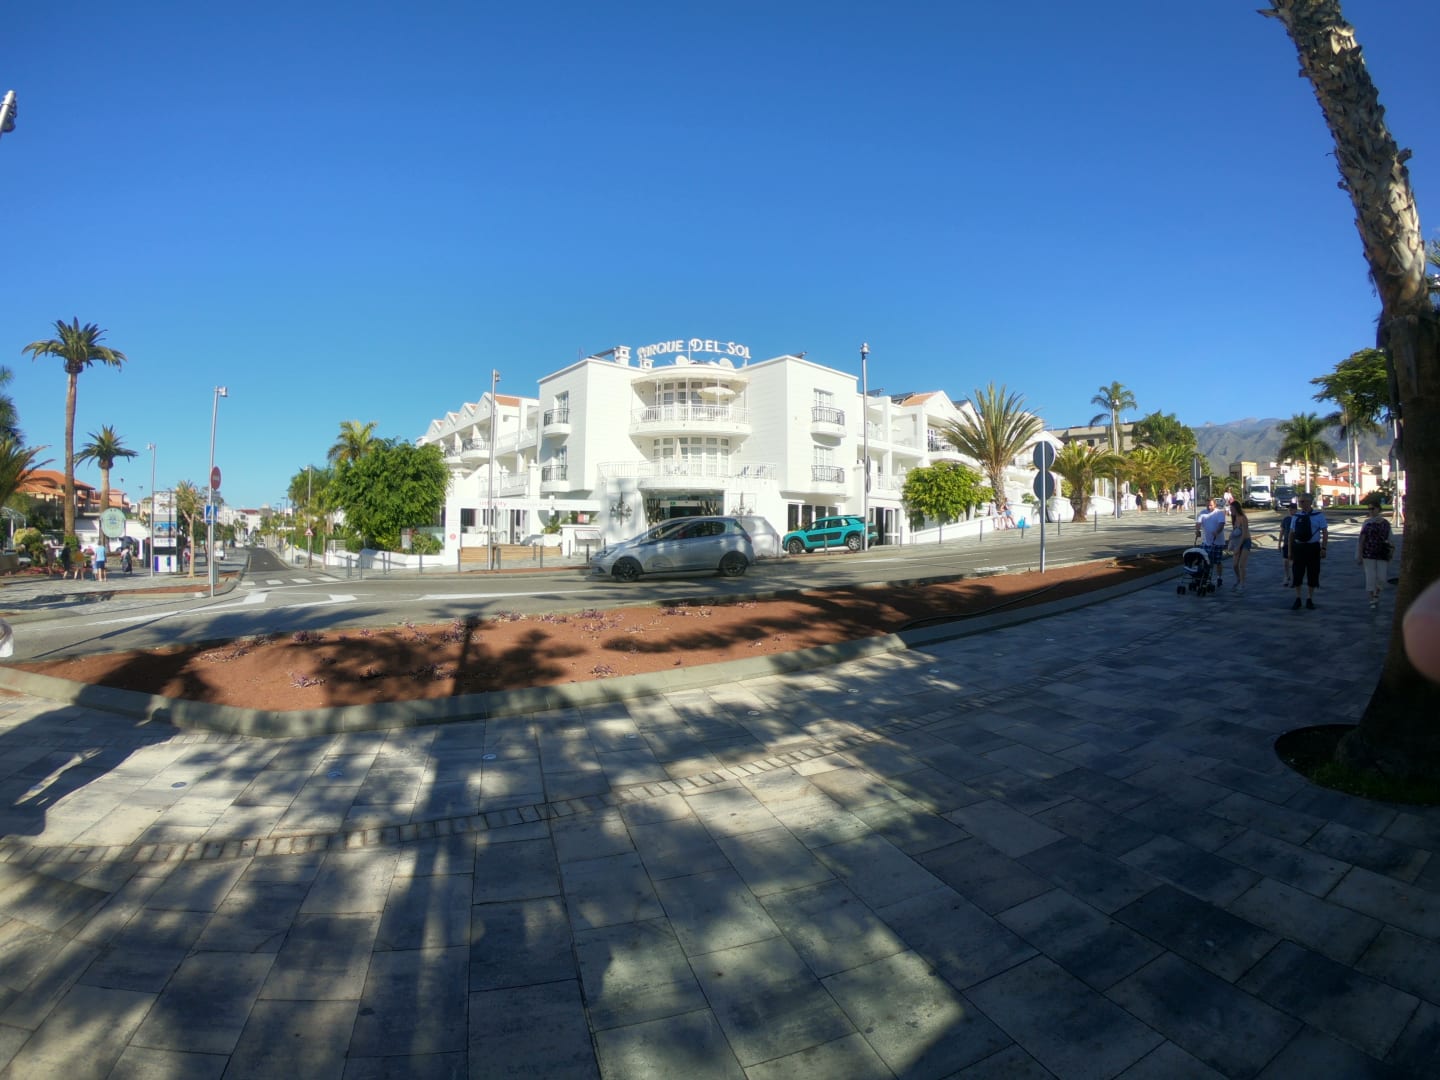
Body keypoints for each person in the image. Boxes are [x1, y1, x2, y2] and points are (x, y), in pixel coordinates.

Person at [1289, 493, 1329, 610]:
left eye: (1303, 501)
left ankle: (1309, 598)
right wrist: (1290, 551)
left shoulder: (1319, 516)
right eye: (1300, 501)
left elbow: (1325, 532)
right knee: (1297, 573)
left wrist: (1323, 548)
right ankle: (1298, 598)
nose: (1300, 504)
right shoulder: (1296, 516)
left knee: (1313, 573)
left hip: (1313, 547)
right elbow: (1291, 533)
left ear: (1310, 502)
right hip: (1299, 547)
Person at [1355, 502, 1393, 610]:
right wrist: (1359, 554)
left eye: (1373, 509)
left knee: (1382, 577)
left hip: (1382, 552)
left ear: (1378, 509)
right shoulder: (1367, 523)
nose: (1370, 511)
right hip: (1368, 552)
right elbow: (1362, 539)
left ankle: (1377, 593)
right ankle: (1372, 598)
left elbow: (1390, 539)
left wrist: (1391, 553)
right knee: (1370, 576)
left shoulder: (1386, 523)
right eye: (1369, 509)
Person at [1195, 497, 1228, 589]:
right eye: (1207, 505)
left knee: (1217, 561)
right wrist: (1197, 530)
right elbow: (1198, 523)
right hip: (1206, 541)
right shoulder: (1202, 513)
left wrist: (1217, 532)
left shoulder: (1219, 513)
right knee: (1204, 560)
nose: (1209, 507)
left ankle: (1219, 577)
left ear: (1215, 505)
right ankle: (1203, 577)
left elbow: (1221, 524)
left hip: (1217, 542)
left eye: (1211, 505)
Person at [1228, 503, 1252, 594]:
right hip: (1237, 541)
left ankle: (1242, 584)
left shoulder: (1243, 518)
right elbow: (1235, 531)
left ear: (1236, 508)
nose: (1231, 511)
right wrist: (1231, 542)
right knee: (1235, 565)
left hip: (1245, 541)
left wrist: (1239, 547)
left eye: (1232, 509)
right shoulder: (1234, 518)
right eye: (1230, 509)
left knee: (1241, 565)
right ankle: (1238, 578)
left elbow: (1244, 534)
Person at [1278, 503, 1295, 587]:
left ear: (1296, 509)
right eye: (1289, 509)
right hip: (1286, 543)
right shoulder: (1286, 519)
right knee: (1285, 561)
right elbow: (1282, 531)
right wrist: (1279, 543)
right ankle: (1287, 576)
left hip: (1295, 543)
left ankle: (1293, 578)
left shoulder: (1298, 518)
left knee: (1293, 562)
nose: (1290, 510)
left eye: (1292, 509)